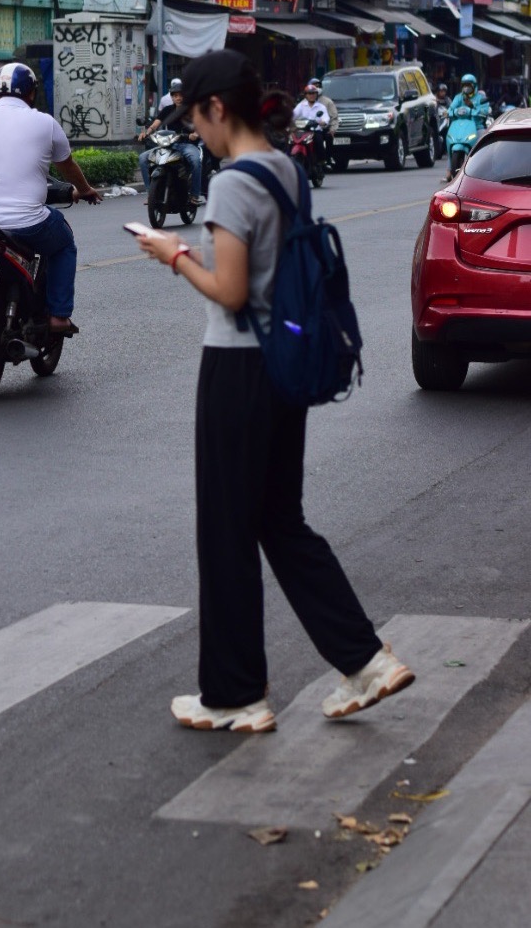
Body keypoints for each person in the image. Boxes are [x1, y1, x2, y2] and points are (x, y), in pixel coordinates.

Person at [135, 49, 414, 733]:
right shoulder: (288, 168)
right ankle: (366, 661)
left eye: (195, 118)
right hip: (286, 365)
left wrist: (172, 254)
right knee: (279, 520)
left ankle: (235, 695)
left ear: (217, 109)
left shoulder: (233, 183)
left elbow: (231, 292)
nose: (194, 131)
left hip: (238, 368)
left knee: (226, 530)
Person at [0, 62, 101, 334]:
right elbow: (67, 166)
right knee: (64, 243)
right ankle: (59, 315)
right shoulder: (45, 123)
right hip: (27, 223)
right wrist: (84, 189)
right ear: (31, 93)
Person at [140, 79, 204, 204]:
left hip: (187, 145)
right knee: (143, 158)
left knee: (196, 162)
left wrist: (195, 134)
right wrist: (146, 133)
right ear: (172, 97)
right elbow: (155, 125)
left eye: (181, 95)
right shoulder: (167, 110)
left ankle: (195, 195)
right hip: (169, 144)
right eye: (175, 96)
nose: (178, 98)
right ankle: (150, 193)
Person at [292, 79, 333, 169]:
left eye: (313, 93)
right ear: (306, 95)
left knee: (319, 141)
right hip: (302, 131)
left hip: (315, 131)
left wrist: (323, 121)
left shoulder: (321, 107)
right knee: (290, 140)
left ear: (316, 95)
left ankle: (322, 161)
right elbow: (293, 115)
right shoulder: (301, 105)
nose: (311, 95)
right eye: (309, 93)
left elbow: (326, 118)